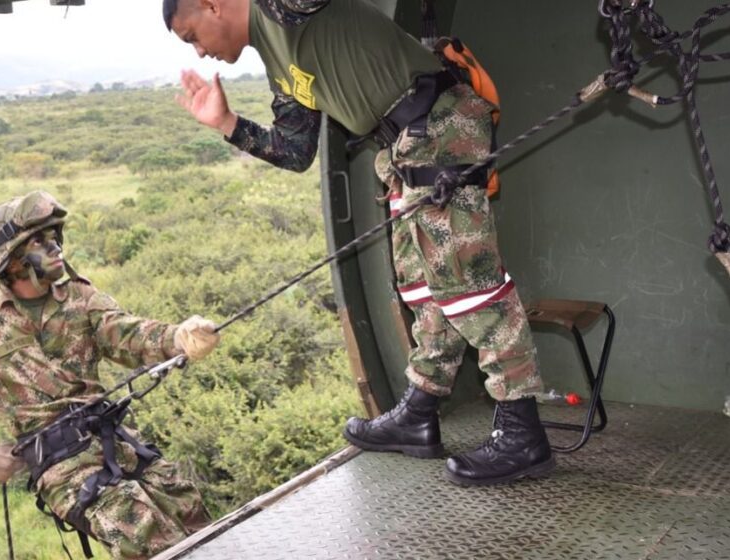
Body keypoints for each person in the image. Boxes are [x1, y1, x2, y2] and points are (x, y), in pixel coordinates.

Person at [164, 0, 555, 486]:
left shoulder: (281, 7)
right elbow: (295, 150)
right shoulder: (279, 66)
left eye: (191, 36)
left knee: (467, 284)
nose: (200, 52)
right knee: (422, 289)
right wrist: (227, 123)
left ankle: (523, 430)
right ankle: (420, 413)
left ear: (211, 5)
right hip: (404, 146)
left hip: (440, 126)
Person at [0, 191, 219, 559]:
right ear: (11, 261)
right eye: (38, 241)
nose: (55, 247)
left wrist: (178, 337)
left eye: (54, 236)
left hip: (115, 441)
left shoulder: (80, 298)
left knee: (192, 514)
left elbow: (127, 333)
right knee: (141, 532)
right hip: (62, 465)